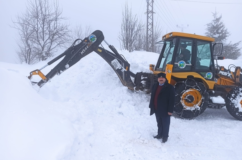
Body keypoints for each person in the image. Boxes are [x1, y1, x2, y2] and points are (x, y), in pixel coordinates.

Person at [149, 72, 175, 143]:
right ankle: (160, 134)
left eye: (162, 78)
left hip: (165, 109)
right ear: (157, 79)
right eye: (159, 78)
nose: (161, 79)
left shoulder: (170, 87)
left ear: (165, 79)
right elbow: (153, 96)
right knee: (159, 123)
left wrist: (170, 110)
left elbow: (172, 100)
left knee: (165, 123)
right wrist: (151, 105)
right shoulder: (155, 85)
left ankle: (165, 136)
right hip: (156, 108)